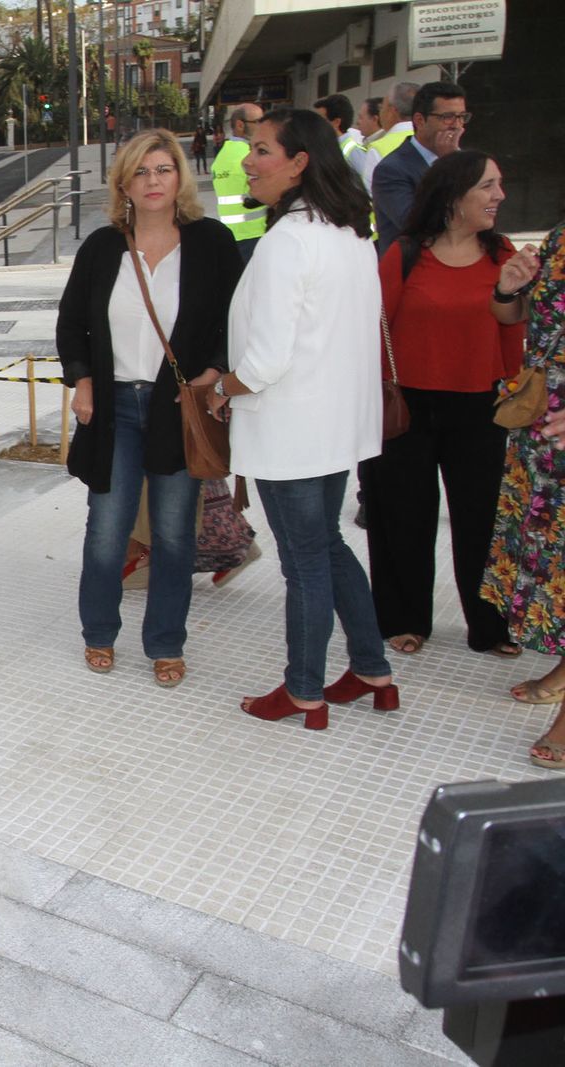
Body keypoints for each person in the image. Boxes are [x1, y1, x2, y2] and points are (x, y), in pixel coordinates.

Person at [206, 107, 394, 730]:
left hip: (292, 430)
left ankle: (305, 690)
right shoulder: (350, 232)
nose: (249, 162)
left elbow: (266, 361)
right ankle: (372, 670)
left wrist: (222, 389)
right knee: (329, 547)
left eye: (261, 150)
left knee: (305, 560)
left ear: (298, 163)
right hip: (337, 426)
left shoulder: (289, 240)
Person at [59, 128, 243, 688]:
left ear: (180, 176)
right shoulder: (102, 246)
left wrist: (215, 370)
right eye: (141, 172)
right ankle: (98, 632)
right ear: (123, 184)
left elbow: (236, 316)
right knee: (107, 530)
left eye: (162, 169)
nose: (153, 181)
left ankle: (165, 642)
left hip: (175, 405)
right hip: (114, 407)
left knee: (173, 534)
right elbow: (72, 323)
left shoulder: (210, 241)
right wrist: (83, 382)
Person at [363, 152, 523, 658]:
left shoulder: (502, 254)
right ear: (454, 197)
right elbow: (374, 328)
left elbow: (515, 323)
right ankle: (404, 619)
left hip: (481, 404)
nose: (499, 196)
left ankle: (491, 626)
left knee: (484, 518)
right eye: (488, 186)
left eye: (499, 185)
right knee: (404, 516)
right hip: (408, 404)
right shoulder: (406, 254)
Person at [481, 223, 565, 768]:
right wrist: (508, 290)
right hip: (543, 417)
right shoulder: (560, 238)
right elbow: (522, 321)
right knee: (553, 560)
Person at [373, 82, 468, 252]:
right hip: (413, 268)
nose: (457, 125)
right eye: (448, 117)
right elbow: (415, 224)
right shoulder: (391, 169)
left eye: (461, 116)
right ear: (419, 120)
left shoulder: (464, 161)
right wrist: (447, 166)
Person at [210, 103, 266, 263]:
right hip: (255, 232)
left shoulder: (222, 156)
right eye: (259, 122)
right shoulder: (250, 156)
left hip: (232, 234)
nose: (263, 126)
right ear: (240, 125)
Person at [314, 94, 365, 181]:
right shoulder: (326, 148)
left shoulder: (353, 152)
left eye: (320, 121)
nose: (314, 125)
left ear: (336, 122)